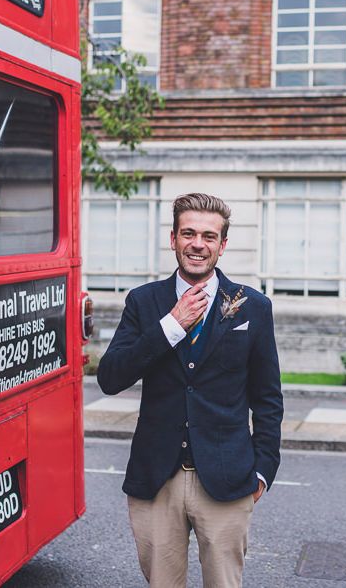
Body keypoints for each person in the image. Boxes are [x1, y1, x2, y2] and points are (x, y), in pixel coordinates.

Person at [97, 192, 283, 587]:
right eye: (189, 233)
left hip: (228, 478)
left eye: (209, 236)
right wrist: (171, 326)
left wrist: (264, 470)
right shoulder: (144, 302)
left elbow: (267, 398)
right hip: (156, 480)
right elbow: (110, 378)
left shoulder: (253, 306)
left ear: (222, 245)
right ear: (174, 239)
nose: (198, 244)